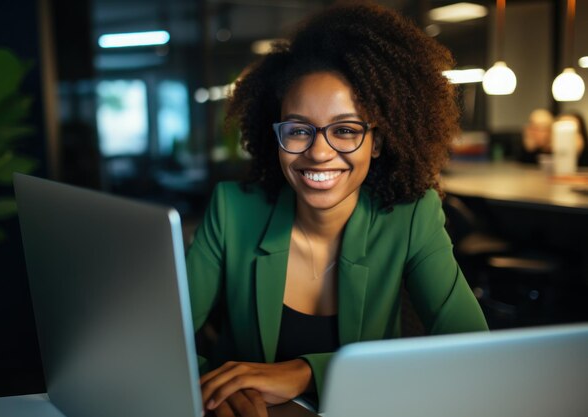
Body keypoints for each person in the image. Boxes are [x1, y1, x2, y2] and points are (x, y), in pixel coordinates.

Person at [186, 3, 489, 417]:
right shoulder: (232, 211)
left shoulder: (412, 217)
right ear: (275, 136)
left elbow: (473, 351)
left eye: (345, 130)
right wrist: (220, 389)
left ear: (377, 142)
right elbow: (160, 340)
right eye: (298, 130)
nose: (319, 152)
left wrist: (308, 372)